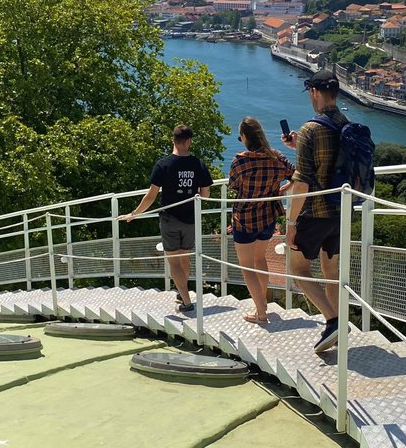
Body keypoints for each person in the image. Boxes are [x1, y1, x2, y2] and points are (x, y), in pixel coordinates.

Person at [281, 69, 348, 353]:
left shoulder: (311, 128)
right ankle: (335, 328)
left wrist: (291, 222)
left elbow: (304, 182)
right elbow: (331, 162)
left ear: (314, 92)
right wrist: (299, 148)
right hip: (341, 211)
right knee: (331, 272)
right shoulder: (345, 123)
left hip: (315, 212)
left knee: (298, 268)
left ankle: (333, 321)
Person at [124, 124, 213, 313]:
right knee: (185, 257)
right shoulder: (198, 164)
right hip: (190, 219)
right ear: (189, 141)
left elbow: (151, 196)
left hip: (170, 219)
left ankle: (186, 302)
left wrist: (134, 214)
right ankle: (182, 294)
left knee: (174, 261)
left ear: (173, 140)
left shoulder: (163, 165)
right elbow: (205, 195)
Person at [228, 116, 294, 324]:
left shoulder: (241, 160)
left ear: (245, 137)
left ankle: (261, 312)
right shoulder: (277, 157)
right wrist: (284, 188)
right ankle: (261, 303)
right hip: (268, 218)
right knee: (260, 260)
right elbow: (297, 175)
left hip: (246, 218)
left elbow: (233, 185)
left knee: (247, 266)